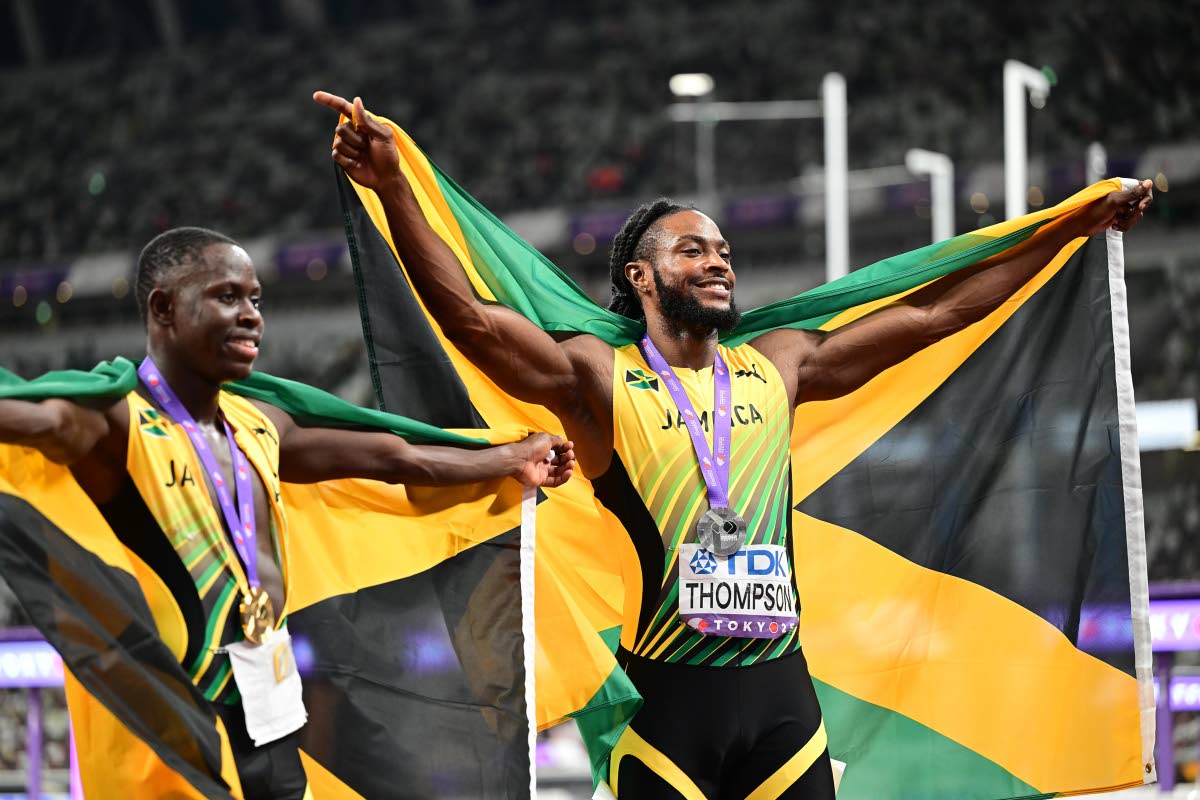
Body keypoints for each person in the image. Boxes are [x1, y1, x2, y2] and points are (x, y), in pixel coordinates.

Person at [314, 91, 1152, 799]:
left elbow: (938, 316)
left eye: (722, 250)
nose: (717, 262)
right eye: (692, 250)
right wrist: (393, 186)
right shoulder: (596, 379)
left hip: (783, 700)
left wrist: (1064, 230)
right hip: (670, 711)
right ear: (641, 278)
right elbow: (467, 318)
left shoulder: (779, 365)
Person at [0, 226, 574, 800]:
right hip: (179, 721)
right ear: (164, 307)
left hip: (269, 712)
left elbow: (396, 458)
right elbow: (39, 420)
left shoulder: (258, 424)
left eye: (256, 299)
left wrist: (506, 458)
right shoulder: (117, 424)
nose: (251, 315)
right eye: (227, 297)